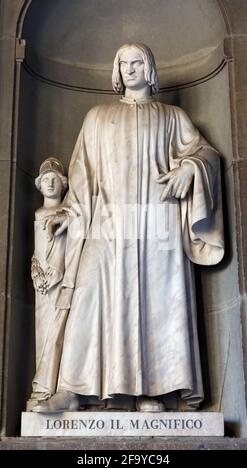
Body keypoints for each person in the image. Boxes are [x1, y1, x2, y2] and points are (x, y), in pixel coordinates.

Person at [33, 43, 224, 413]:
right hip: (107, 221)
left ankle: (152, 389)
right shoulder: (97, 116)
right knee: (87, 298)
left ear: (150, 69)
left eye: (138, 62)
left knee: (158, 303)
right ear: (116, 70)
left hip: (158, 220)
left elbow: (206, 154)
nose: (130, 68)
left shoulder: (172, 116)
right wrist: (69, 213)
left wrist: (190, 169)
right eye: (124, 62)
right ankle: (73, 388)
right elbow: (82, 174)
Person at [27, 158, 69, 411]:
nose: (50, 182)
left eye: (54, 178)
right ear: (39, 185)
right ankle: (42, 387)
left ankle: (54, 386)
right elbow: (38, 250)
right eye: (46, 179)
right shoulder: (38, 214)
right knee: (44, 331)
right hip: (42, 285)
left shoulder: (69, 215)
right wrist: (37, 271)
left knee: (59, 333)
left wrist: (57, 272)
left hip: (62, 281)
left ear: (63, 184)